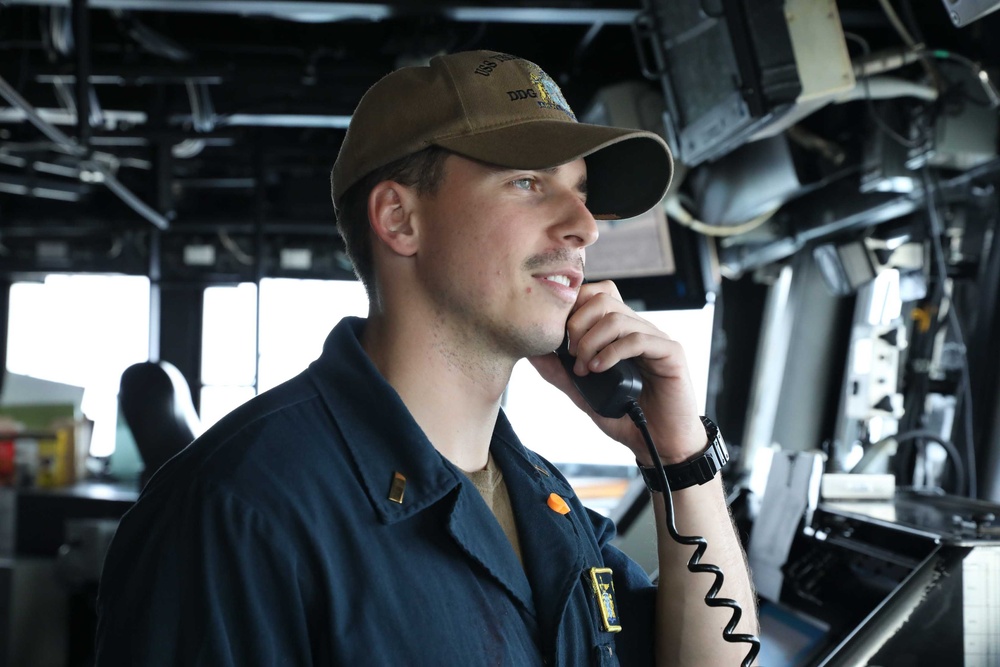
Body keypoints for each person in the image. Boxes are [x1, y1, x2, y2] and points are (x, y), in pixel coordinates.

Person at [95, 50, 758, 666]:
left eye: (581, 190)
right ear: (400, 219)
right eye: (530, 182)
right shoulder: (235, 512)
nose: (584, 225)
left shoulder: (543, 498)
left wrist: (679, 457)